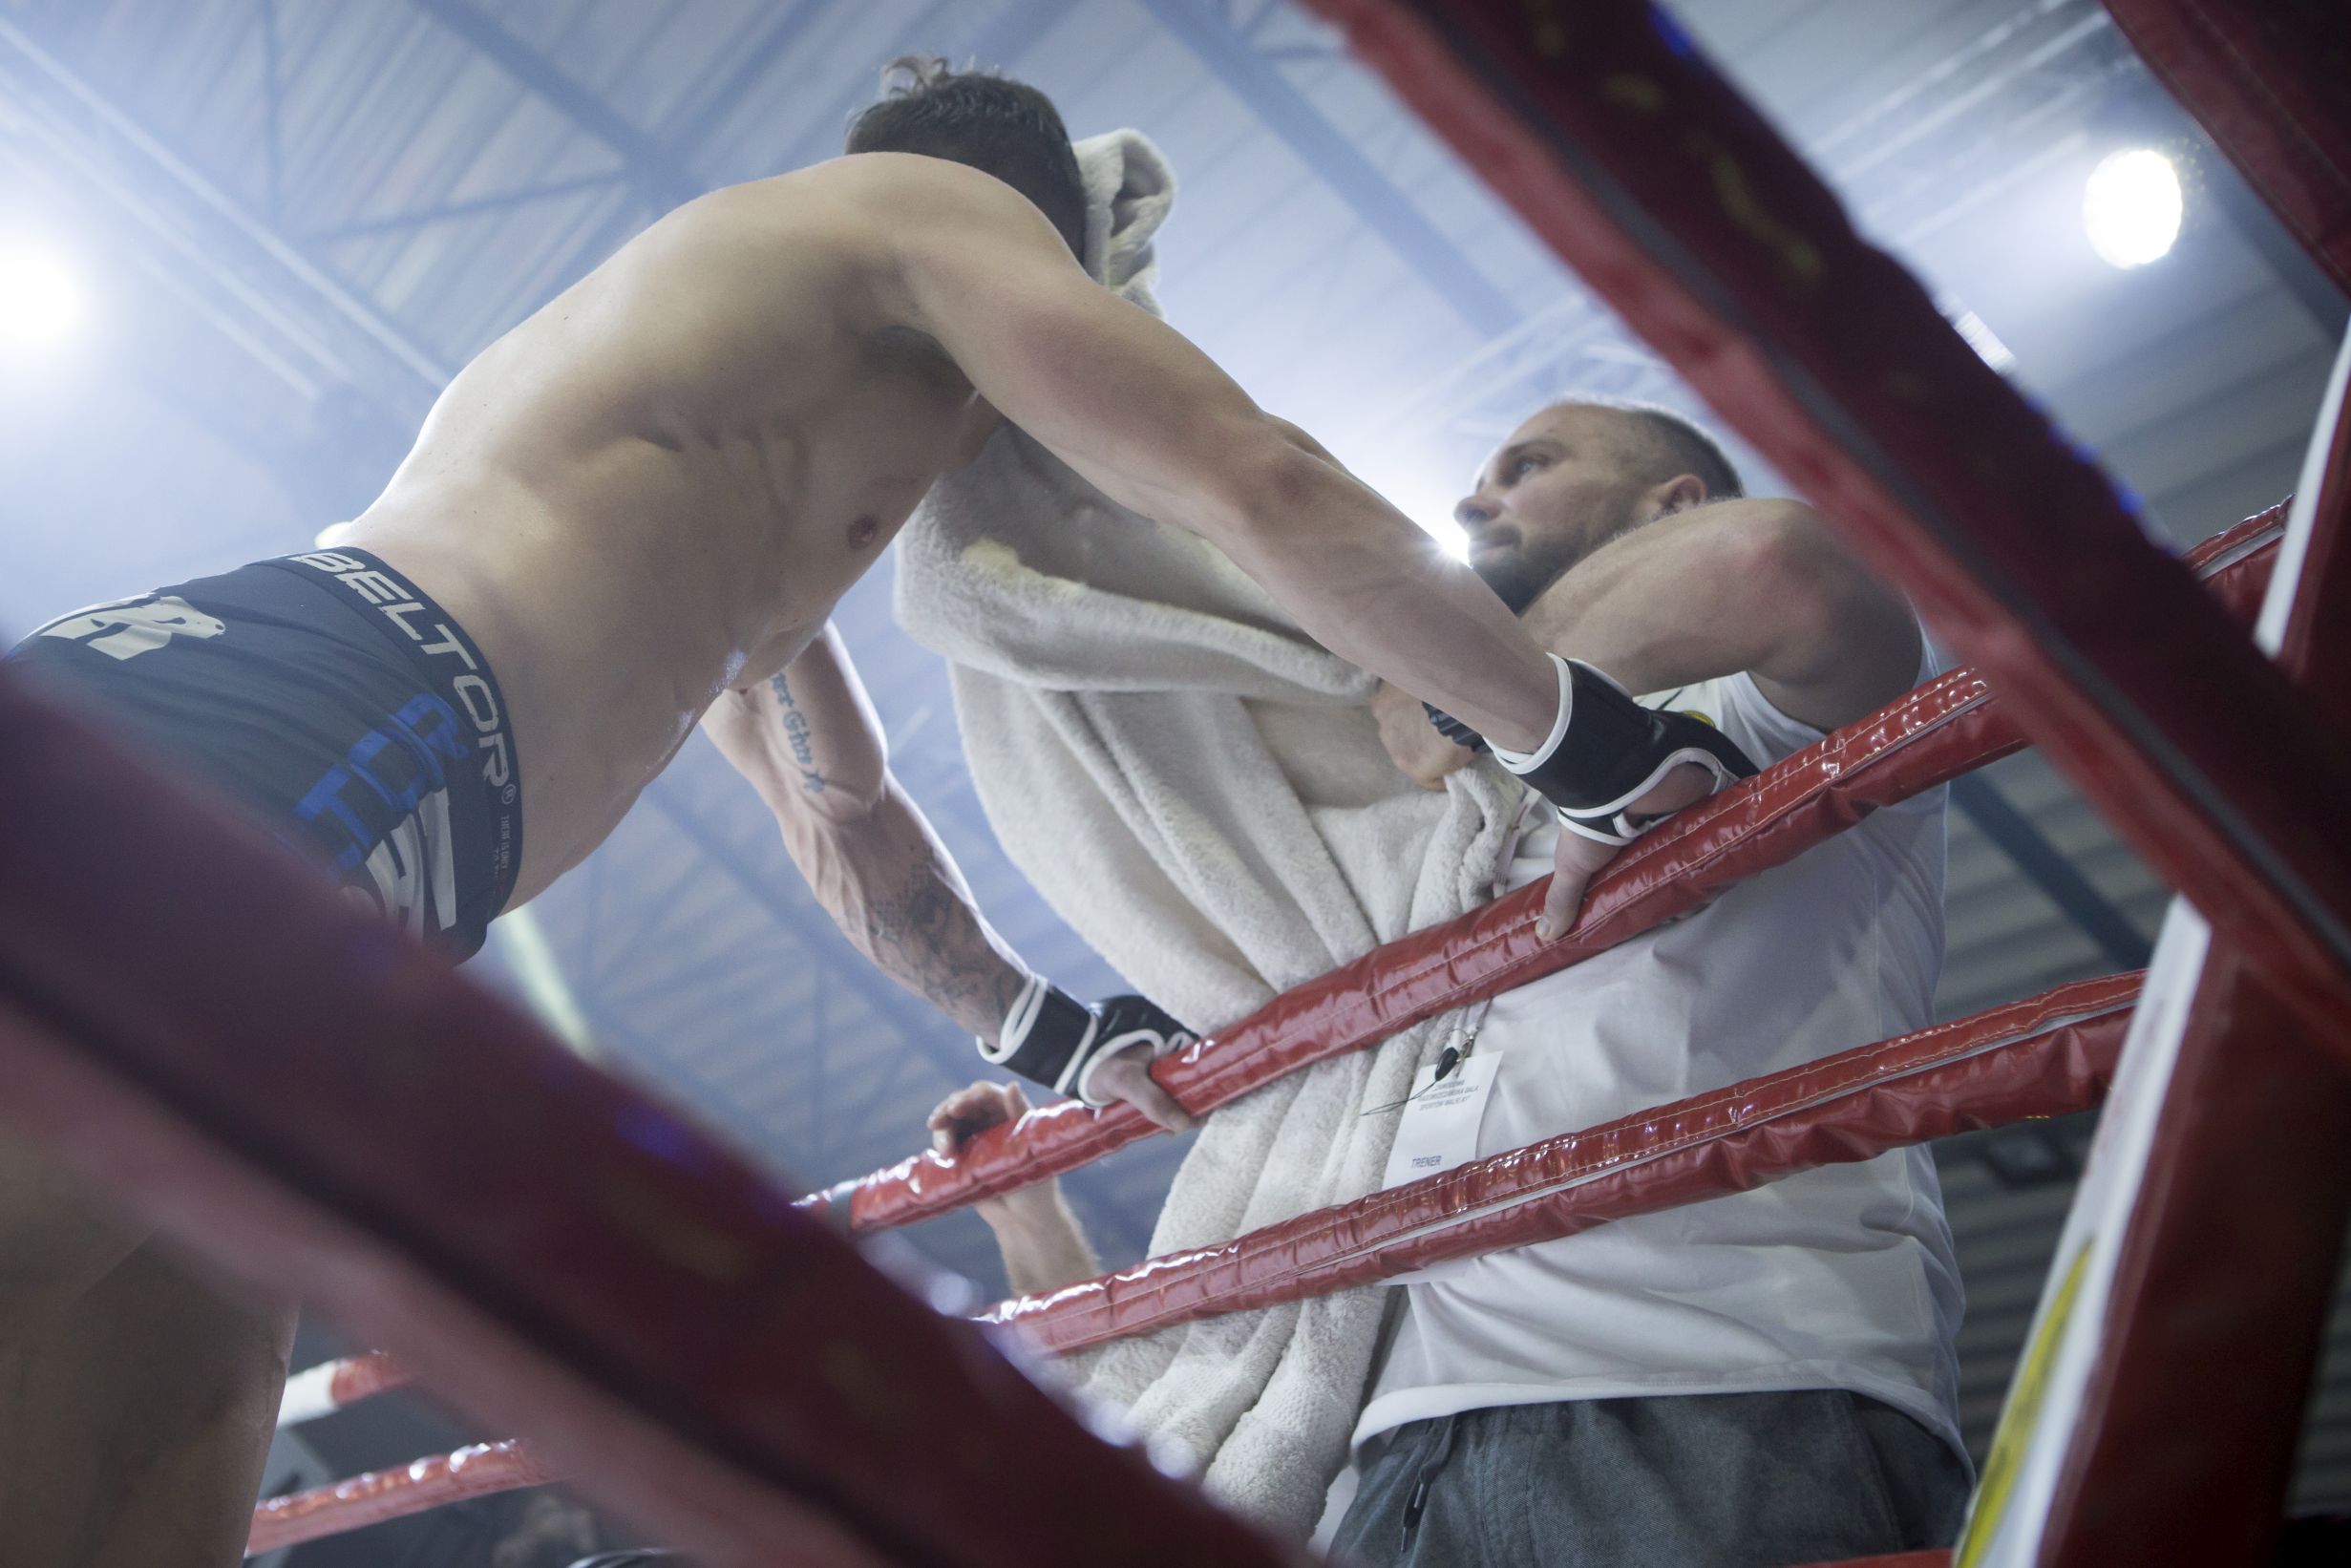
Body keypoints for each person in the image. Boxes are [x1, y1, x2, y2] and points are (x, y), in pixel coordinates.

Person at [0, 62, 1609, 1567]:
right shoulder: (921, 211)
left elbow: (837, 812)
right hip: (327, 709)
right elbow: (1244, 473)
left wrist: (1040, 1026)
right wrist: (1573, 732)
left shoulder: (740, 496)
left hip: (382, 804)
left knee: (164, 1440)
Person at [931, 398, 1970, 1567]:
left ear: (1668, 500)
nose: (1475, 499)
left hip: (1720, 1384)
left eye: (1527, 466)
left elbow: (1772, 559)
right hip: (1395, 1448)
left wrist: (1453, 689)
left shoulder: (1751, 713)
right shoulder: (1462, 814)